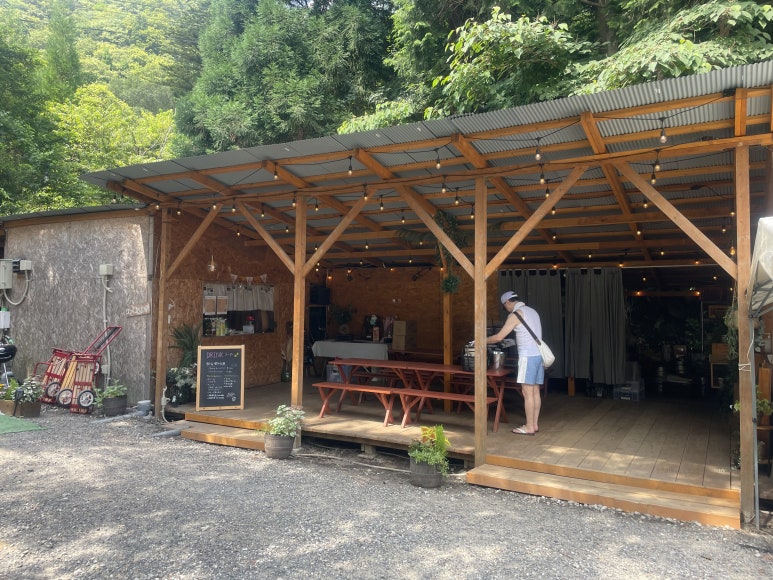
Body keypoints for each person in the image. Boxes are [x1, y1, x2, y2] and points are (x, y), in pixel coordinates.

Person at [486, 291, 544, 436]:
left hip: (527, 357)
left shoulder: (515, 315)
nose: (506, 309)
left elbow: (499, 337)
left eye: (504, 306)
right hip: (538, 356)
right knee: (535, 391)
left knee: (527, 392)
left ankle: (529, 427)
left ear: (507, 303)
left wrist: (481, 340)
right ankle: (534, 424)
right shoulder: (533, 311)